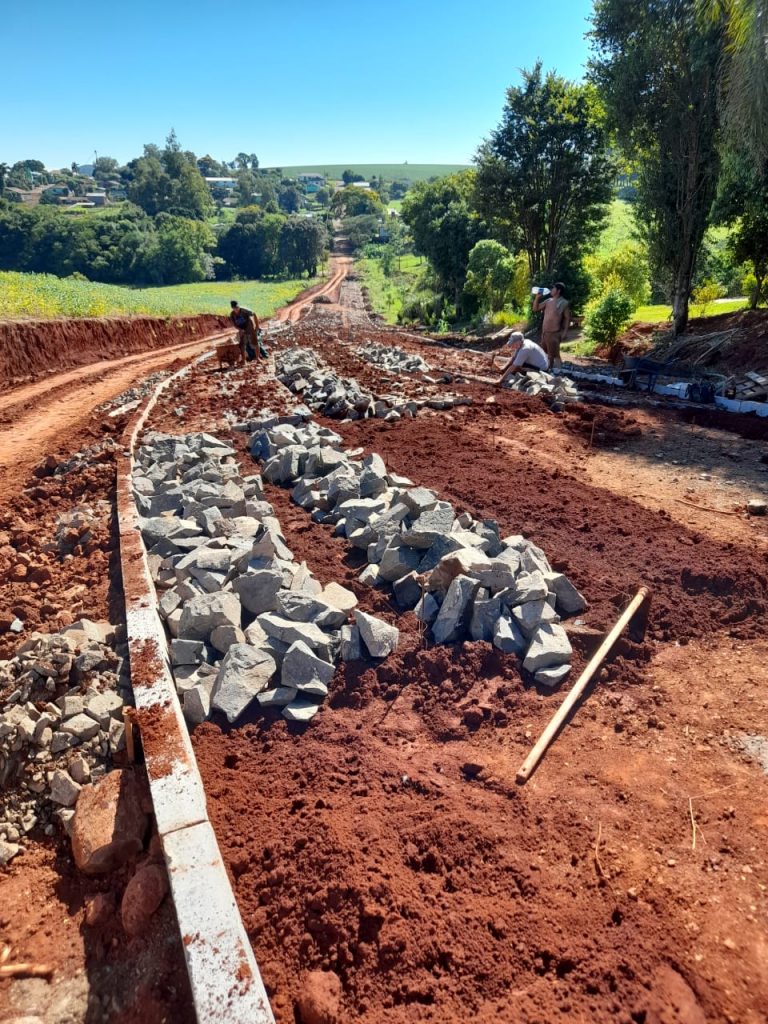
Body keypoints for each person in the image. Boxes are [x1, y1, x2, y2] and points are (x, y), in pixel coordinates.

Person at [532, 282, 570, 368]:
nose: (551, 290)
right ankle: (549, 371)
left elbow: (568, 318)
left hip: (554, 333)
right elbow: (535, 308)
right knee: (545, 353)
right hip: (545, 333)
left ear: (558, 291)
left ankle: (560, 372)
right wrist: (537, 298)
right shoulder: (548, 301)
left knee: (555, 355)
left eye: (553, 289)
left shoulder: (564, 303)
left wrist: (565, 332)